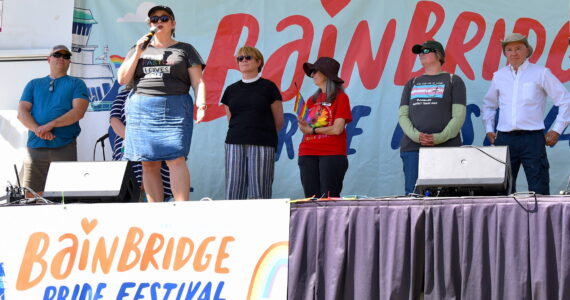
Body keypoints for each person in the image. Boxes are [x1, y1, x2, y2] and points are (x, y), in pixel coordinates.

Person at [117, 5, 206, 202]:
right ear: (149, 24)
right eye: (154, 19)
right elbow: (122, 79)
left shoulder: (185, 49)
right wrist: (138, 51)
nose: (159, 22)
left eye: (164, 18)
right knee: (148, 162)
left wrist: (201, 105)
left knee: (176, 158)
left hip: (175, 106)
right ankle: (156, 212)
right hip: (141, 107)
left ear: (173, 23)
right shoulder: (137, 48)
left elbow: (198, 81)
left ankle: (181, 209)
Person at [482, 33, 570, 195]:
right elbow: (489, 105)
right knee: (502, 189)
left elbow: (565, 101)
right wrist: (489, 128)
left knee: (539, 188)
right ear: (505, 54)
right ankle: (504, 221)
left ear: (527, 51)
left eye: (518, 48)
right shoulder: (499, 76)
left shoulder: (541, 73)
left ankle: (542, 221)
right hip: (505, 138)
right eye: (509, 49)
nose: (514, 53)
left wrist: (557, 129)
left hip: (533, 138)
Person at [17, 45, 89, 194]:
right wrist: (39, 130)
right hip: (35, 147)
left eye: (66, 56)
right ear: (48, 59)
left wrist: (50, 125)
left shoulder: (77, 83)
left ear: (69, 62)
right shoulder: (33, 84)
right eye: (57, 55)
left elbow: (78, 112)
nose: (61, 58)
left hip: (64, 146)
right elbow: (22, 112)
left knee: (64, 194)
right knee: (31, 194)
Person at [399, 40, 467, 195]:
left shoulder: (453, 80)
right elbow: (402, 115)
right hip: (413, 148)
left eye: (425, 51)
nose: (420, 55)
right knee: (414, 193)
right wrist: (417, 136)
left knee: (447, 194)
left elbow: (459, 116)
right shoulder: (412, 82)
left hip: (446, 148)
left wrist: (439, 138)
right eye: (419, 53)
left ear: (438, 54)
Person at [221, 46, 284, 199]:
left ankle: (260, 223)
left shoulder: (269, 87)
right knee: (234, 189)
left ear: (258, 62)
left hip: (262, 142)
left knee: (260, 190)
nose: (243, 61)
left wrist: (261, 133)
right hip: (235, 142)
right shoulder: (231, 90)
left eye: (248, 57)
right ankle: (234, 223)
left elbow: (279, 121)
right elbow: (231, 118)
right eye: (240, 58)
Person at [297, 57, 352, 198]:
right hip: (307, 152)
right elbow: (309, 128)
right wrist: (303, 125)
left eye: (315, 71)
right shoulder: (311, 100)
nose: (312, 75)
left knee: (329, 198)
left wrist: (312, 130)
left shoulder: (341, 98)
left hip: (331, 153)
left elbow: (337, 128)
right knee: (310, 199)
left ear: (326, 74)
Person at [109, 87, 173, 200]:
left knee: (152, 187)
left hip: (153, 151)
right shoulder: (124, 94)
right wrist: (134, 140)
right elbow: (114, 120)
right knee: (126, 192)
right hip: (127, 151)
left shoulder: (159, 92)